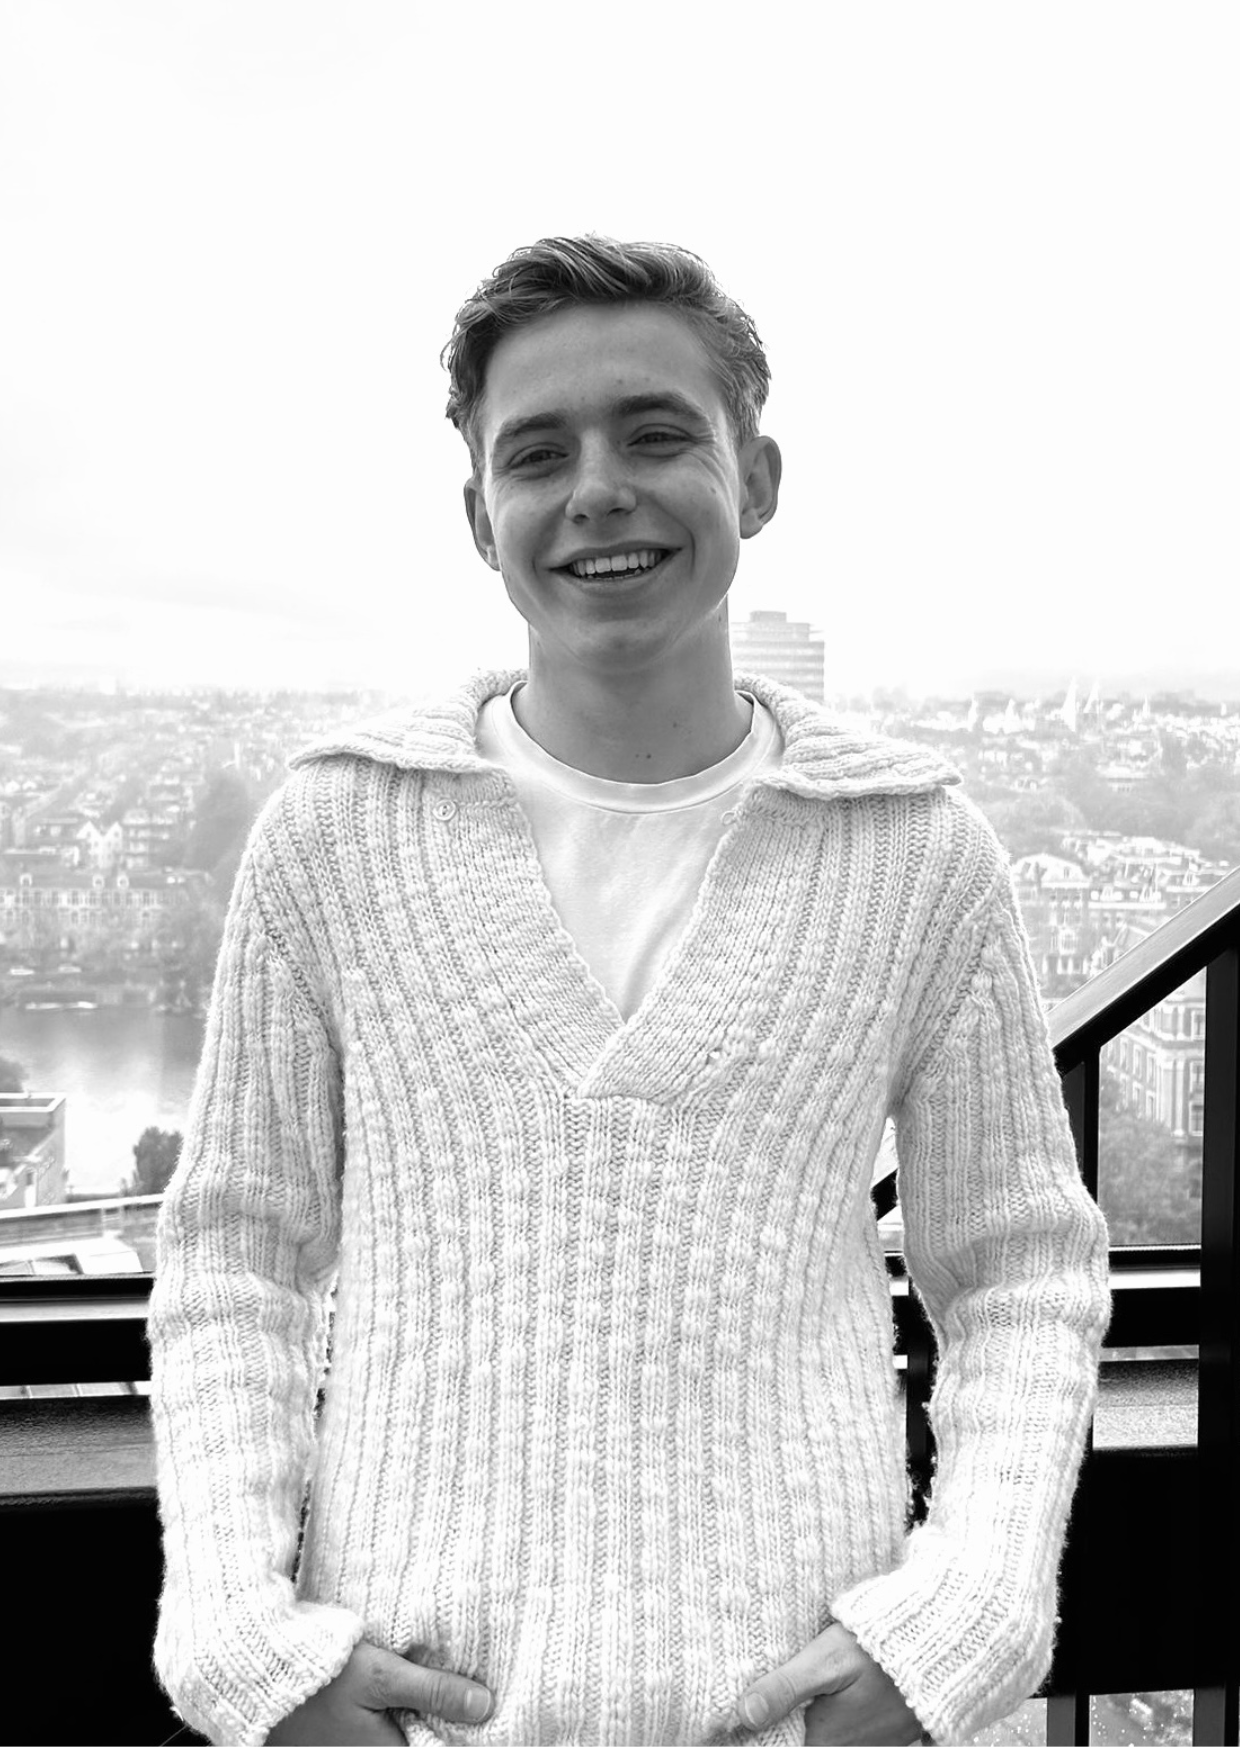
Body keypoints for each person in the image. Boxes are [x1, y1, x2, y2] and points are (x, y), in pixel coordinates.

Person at [147, 234, 1112, 1748]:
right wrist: (244, 1649)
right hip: (413, 1722)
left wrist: (963, 1623)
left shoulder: (918, 855)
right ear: (481, 516)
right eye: (539, 454)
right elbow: (233, 1262)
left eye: (657, 434)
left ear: (758, 478)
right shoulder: (335, 837)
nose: (598, 490)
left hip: (797, 1720)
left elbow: (1022, 1276)